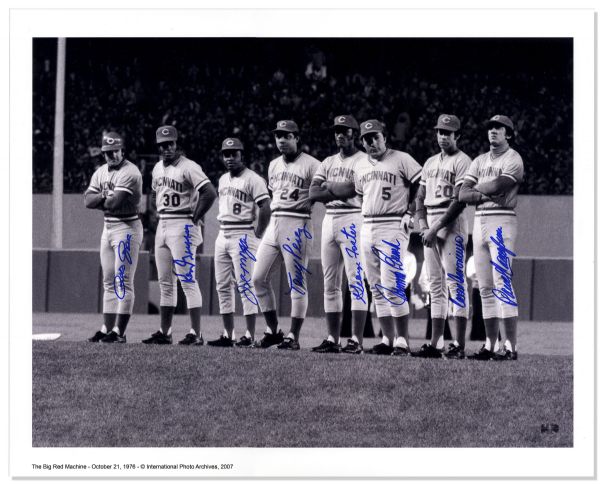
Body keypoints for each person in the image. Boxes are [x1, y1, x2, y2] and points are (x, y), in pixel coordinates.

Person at [142, 125, 217, 345]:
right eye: (162, 145)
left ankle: (196, 333)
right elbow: (159, 196)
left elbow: (209, 192)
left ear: (176, 144)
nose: (167, 148)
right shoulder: (156, 168)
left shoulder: (189, 166)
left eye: (170, 144)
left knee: (187, 280)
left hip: (183, 222)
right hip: (163, 224)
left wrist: (195, 217)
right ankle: (165, 332)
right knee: (166, 282)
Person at [251, 120, 320, 350]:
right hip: (275, 220)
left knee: (296, 282)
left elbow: (324, 191)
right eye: (278, 136)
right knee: (258, 278)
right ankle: (273, 331)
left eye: (286, 136)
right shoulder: (273, 165)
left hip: (298, 220)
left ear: (296, 138)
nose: (281, 140)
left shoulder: (312, 164)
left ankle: (293, 336)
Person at [354, 119, 422, 356]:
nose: (372, 142)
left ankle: (402, 340)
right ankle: (387, 339)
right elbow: (361, 194)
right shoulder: (360, 166)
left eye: (375, 137)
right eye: (367, 138)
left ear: (385, 138)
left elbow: (421, 184)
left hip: (393, 224)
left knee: (392, 284)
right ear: (361, 141)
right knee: (376, 287)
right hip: (368, 224)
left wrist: (411, 211)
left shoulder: (401, 158)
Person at [459, 115, 523, 360]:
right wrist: (476, 194)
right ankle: (489, 345)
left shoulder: (513, 158)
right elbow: (461, 194)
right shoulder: (478, 160)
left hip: (502, 219)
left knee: (502, 283)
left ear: (508, 133)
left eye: (499, 128)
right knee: (484, 286)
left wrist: (474, 191)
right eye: (491, 127)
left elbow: (500, 185)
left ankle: (510, 347)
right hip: (480, 220)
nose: (493, 131)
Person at [308, 115, 370, 354]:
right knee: (330, 282)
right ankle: (333, 339)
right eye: (337, 131)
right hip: (330, 219)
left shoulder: (364, 160)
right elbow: (313, 193)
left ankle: (356, 339)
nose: (340, 135)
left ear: (355, 133)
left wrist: (330, 189)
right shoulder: (328, 161)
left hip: (354, 217)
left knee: (356, 280)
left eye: (345, 131)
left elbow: (351, 190)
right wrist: (335, 191)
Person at [413, 114, 471, 359]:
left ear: (457, 135)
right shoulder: (429, 162)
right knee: (435, 286)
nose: (443, 136)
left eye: (448, 133)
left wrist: (434, 227)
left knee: (456, 283)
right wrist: (423, 225)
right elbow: (419, 197)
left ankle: (457, 344)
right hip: (431, 226)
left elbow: (459, 202)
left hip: (451, 225)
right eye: (440, 132)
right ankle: (436, 343)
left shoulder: (463, 161)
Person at [208, 138, 271, 347]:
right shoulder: (223, 179)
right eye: (226, 154)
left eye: (234, 154)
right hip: (222, 233)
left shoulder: (253, 179)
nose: (230, 158)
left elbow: (265, 206)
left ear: (241, 155)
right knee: (223, 286)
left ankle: (250, 335)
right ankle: (228, 334)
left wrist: (259, 232)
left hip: (243, 233)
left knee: (245, 285)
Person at [85, 131, 143, 343]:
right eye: (108, 153)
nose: (112, 156)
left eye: (115, 151)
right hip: (108, 228)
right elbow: (87, 200)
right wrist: (102, 196)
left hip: (127, 228)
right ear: (104, 153)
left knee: (123, 281)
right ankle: (107, 328)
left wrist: (101, 199)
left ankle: (119, 332)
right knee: (109, 281)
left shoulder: (131, 172)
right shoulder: (101, 172)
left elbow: (113, 203)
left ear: (122, 151)